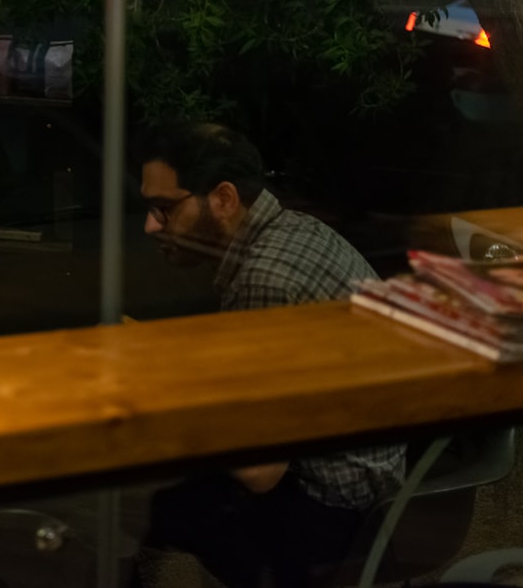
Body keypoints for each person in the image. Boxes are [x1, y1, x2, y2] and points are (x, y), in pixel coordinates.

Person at [131, 121, 404, 588]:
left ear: (223, 199)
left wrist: (154, 388)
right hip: (378, 478)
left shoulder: (265, 278)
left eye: (164, 208)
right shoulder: (294, 231)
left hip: (335, 513)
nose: (150, 225)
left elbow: (259, 472)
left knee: (157, 503)